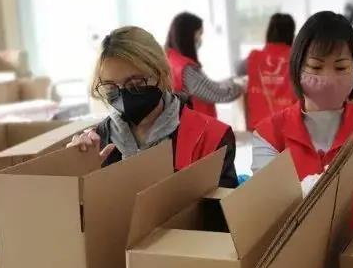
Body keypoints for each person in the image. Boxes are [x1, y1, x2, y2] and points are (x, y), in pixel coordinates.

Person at [252, 11, 353, 218]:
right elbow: (266, 213)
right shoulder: (269, 137)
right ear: (297, 67)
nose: (328, 79)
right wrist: (318, 189)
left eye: (340, 67)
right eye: (316, 67)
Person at [68, 26, 238, 187]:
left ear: (161, 74)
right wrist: (76, 174)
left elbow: (223, 205)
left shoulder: (211, 138)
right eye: (110, 87)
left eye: (135, 84)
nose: (123, 96)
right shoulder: (97, 143)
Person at [165, 12, 243, 119]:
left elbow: (208, 85)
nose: (200, 39)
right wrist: (240, 86)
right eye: (199, 34)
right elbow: (218, 94)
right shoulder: (186, 69)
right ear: (188, 36)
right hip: (198, 125)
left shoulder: (171, 59)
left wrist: (231, 80)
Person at [244, 13, 297, 130]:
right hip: (288, 125)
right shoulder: (297, 58)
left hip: (259, 126)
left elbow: (240, 73)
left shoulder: (254, 57)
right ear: (291, 34)